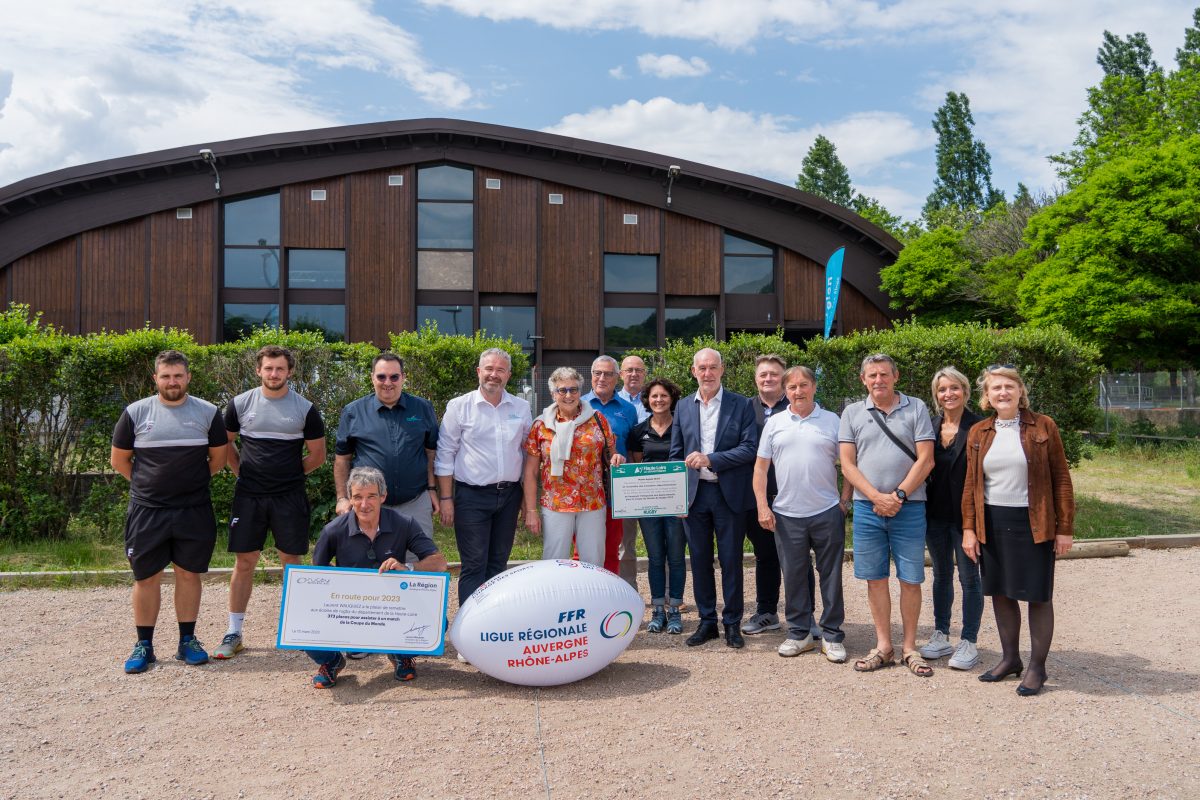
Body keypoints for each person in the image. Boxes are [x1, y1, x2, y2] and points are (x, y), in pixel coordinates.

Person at [111, 350, 228, 673]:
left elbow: (217, 459)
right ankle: (144, 645)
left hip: (193, 510)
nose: (172, 382)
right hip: (148, 512)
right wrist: (150, 487)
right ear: (156, 379)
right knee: (145, 576)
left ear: (188, 377)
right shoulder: (135, 413)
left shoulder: (207, 412)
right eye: (166, 376)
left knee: (189, 573)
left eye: (178, 376)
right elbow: (120, 460)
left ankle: (187, 641)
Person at [962, 365, 1074, 696]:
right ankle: (1010, 659)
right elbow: (971, 485)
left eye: (1009, 386)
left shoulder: (1043, 427)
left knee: (1038, 596)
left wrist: (1064, 527)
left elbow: (1061, 478)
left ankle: (1037, 667)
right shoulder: (979, 432)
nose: (1003, 392)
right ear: (987, 396)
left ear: (1020, 391)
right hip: (992, 523)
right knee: (1001, 592)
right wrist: (970, 529)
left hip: (1035, 522)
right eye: (996, 388)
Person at [213, 345, 326, 660]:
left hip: (289, 497)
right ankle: (233, 632)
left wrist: (288, 477)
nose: (274, 374)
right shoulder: (239, 404)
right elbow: (226, 447)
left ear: (289, 372)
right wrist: (243, 473)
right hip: (249, 496)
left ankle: (301, 629)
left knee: (291, 562)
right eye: (268, 368)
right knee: (244, 562)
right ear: (259, 371)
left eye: (279, 369)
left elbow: (317, 456)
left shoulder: (305, 409)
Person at [306, 467, 449, 688]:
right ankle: (331, 661)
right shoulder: (332, 531)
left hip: (392, 607)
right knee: (298, 625)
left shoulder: (404, 523)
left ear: (383, 497)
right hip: (350, 609)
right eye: (357, 497)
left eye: (371, 496)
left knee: (439, 623)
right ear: (350, 499)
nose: (364, 505)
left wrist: (407, 567)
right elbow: (316, 579)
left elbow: (439, 563)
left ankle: (400, 654)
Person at [838, 353, 935, 677]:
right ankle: (884, 646)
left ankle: (909, 647)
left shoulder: (916, 407)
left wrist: (898, 496)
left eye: (883, 374)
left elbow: (926, 459)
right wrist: (877, 496)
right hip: (868, 508)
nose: (878, 380)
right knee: (875, 579)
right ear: (862, 379)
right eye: (872, 375)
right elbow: (847, 464)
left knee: (910, 579)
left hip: (909, 507)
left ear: (896, 376)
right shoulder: (852, 413)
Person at [754, 366, 852, 662]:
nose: (798, 391)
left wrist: (844, 501)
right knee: (794, 576)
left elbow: (848, 464)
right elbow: (760, 468)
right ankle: (799, 633)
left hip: (826, 511)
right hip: (786, 514)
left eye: (804, 385)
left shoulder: (833, 420)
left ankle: (832, 635)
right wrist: (762, 505)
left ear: (814, 387)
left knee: (831, 576)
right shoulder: (775, 423)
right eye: (793, 387)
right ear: (785, 391)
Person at [670, 347, 758, 648]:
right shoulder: (682, 406)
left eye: (713, 368)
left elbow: (749, 449)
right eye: (702, 368)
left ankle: (732, 622)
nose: (707, 373)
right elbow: (676, 453)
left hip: (728, 494)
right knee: (700, 560)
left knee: (732, 561)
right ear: (694, 371)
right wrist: (678, 498)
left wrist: (711, 459)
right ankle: (707, 622)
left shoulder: (741, 404)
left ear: (722, 370)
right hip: (694, 497)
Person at [435, 348, 532, 606]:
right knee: (474, 564)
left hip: (510, 495)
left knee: (498, 563)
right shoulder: (459, 407)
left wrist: (527, 499)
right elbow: (445, 454)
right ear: (479, 371)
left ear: (509, 375)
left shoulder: (521, 408)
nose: (494, 375)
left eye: (500, 370)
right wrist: (446, 498)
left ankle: (492, 626)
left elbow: (527, 454)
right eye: (489, 369)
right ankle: (468, 631)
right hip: (471, 496)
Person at [917, 366, 984, 670]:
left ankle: (968, 640)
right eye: (942, 390)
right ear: (936, 395)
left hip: (967, 517)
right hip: (935, 514)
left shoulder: (980, 427)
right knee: (941, 574)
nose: (948, 394)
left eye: (954, 388)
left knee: (969, 577)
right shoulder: (930, 426)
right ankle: (941, 633)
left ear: (965, 391)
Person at [523, 367, 624, 566]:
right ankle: (555, 598)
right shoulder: (540, 425)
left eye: (573, 389)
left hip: (592, 502)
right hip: (556, 503)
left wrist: (617, 458)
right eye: (562, 390)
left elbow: (612, 454)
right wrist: (531, 511)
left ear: (580, 391)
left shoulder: (597, 419)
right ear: (553, 394)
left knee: (593, 561)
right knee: (554, 561)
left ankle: (590, 597)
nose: (568, 395)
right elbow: (531, 472)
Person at [334, 353, 439, 540]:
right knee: (369, 561)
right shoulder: (353, 412)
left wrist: (432, 489)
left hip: (415, 502)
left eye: (394, 377)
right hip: (369, 505)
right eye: (381, 376)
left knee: (420, 560)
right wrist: (342, 498)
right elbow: (342, 459)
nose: (387, 382)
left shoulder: (423, 408)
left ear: (403, 377)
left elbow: (431, 453)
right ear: (372, 377)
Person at [627, 378, 686, 635]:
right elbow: (638, 465)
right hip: (649, 506)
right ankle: (658, 609)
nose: (659, 400)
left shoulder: (683, 428)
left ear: (671, 398)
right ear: (647, 400)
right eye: (654, 397)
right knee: (654, 558)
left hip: (677, 505)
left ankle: (675, 609)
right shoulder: (638, 431)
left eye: (663, 396)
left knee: (676, 557)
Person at [581, 355, 640, 582]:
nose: (602, 378)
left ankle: (620, 592)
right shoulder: (580, 405)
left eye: (608, 374)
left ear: (617, 378)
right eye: (597, 373)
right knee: (585, 548)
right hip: (586, 489)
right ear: (591, 375)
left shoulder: (628, 409)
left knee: (620, 545)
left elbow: (633, 448)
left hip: (618, 490)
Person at [741, 354, 786, 636]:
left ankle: (805, 615)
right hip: (753, 496)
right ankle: (767, 612)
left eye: (774, 374)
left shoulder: (797, 405)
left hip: (791, 495)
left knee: (798, 558)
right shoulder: (744, 408)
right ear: (756, 379)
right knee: (765, 555)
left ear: (783, 378)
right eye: (763, 375)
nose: (768, 379)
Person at [615, 355, 650, 587]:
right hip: (625, 480)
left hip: (655, 479)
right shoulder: (614, 402)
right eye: (629, 370)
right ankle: (628, 588)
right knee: (625, 541)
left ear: (645, 373)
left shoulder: (656, 399)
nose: (634, 374)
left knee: (660, 540)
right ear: (621, 374)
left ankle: (667, 594)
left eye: (638, 370)